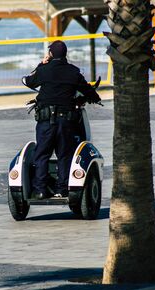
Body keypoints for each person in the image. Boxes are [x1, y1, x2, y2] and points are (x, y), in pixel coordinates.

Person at [22, 40, 101, 200]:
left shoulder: (43, 70)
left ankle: (40, 190)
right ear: (65, 54)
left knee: (42, 154)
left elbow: (27, 81)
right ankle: (62, 190)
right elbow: (88, 90)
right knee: (65, 154)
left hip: (45, 121)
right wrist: (94, 97)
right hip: (66, 121)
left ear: (50, 54)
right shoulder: (73, 72)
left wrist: (41, 64)